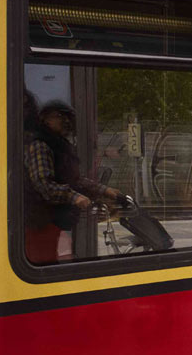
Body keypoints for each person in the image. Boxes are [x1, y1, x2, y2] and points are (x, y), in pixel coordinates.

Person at [24, 99, 122, 264]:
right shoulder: (40, 145)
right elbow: (43, 184)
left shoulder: (59, 145)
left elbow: (74, 179)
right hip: (40, 221)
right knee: (43, 264)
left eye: (68, 117)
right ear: (45, 119)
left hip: (52, 220)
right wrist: (75, 197)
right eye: (60, 116)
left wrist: (104, 190)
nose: (66, 121)